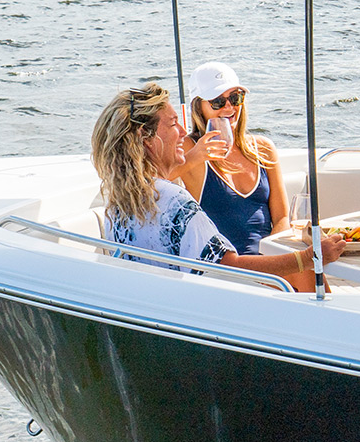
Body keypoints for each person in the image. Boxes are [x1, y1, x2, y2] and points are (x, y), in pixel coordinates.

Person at [91, 83, 336, 293]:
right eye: (174, 124)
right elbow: (226, 266)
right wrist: (308, 258)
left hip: (164, 304)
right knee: (306, 272)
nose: (183, 132)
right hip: (209, 306)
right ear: (147, 139)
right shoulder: (174, 202)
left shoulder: (120, 202)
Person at [178, 61, 295, 261]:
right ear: (199, 107)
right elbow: (152, 181)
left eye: (235, 97)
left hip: (267, 261)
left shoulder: (263, 148)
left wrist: (273, 258)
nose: (229, 107)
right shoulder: (189, 148)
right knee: (308, 267)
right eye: (217, 101)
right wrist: (193, 158)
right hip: (224, 266)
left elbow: (282, 219)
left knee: (310, 265)